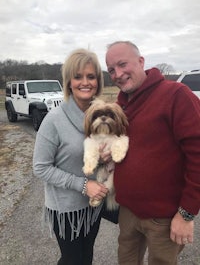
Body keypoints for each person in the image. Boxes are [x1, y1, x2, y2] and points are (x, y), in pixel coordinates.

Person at [105, 41, 200, 265]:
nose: (117, 74)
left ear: (141, 62)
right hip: (128, 211)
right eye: (111, 70)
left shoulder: (176, 95)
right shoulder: (121, 106)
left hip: (164, 217)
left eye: (122, 64)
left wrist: (186, 213)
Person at [33, 48, 109, 265]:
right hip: (66, 210)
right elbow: (40, 167)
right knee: (72, 260)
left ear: (98, 81)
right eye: (78, 77)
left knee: (86, 257)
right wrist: (84, 185)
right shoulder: (53, 120)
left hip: (93, 206)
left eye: (91, 76)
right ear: (68, 82)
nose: (85, 82)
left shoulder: (99, 116)